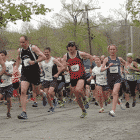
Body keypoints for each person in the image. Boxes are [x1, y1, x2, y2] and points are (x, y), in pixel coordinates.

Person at [16, 35, 46, 119]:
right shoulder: (20, 50)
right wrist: (16, 69)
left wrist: (35, 61)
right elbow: (18, 59)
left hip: (35, 73)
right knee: (23, 91)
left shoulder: (33, 48)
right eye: (20, 42)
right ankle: (23, 112)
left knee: (36, 91)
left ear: (27, 41)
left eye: (23, 42)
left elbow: (43, 56)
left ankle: (43, 94)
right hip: (25, 73)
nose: (22, 44)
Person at [62, 41, 94, 118]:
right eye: (69, 46)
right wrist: (65, 66)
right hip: (72, 78)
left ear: (75, 47)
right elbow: (64, 68)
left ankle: (84, 98)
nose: (70, 48)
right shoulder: (65, 56)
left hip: (81, 76)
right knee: (77, 96)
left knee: (78, 90)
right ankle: (83, 110)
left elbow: (91, 57)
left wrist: (90, 67)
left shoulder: (80, 54)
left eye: (72, 46)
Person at [101, 44, 126, 117]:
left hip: (117, 78)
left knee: (115, 92)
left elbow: (126, 64)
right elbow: (102, 69)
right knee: (113, 93)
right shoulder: (106, 59)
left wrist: (123, 68)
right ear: (108, 51)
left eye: (114, 49)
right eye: (111, 49)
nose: (112, 51)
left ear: (116, 50)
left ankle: (113, 110)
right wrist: (108, 66)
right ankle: (119, 102)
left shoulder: (119, 59)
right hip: (109, 79)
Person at [41, 47, 64, 112]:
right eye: (45, 52)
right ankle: (51, 106)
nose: (46, 54)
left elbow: (62, 66)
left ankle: (54, 99)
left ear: (50, 52)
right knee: (46, 94)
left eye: (47, 52)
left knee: (50, 92)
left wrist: (57, 73)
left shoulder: (53, 60)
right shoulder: (42, 60)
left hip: (53, 78)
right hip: (46, 79)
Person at [0, 50, 13, 118]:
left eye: (2, 55)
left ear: (5, 56)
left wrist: (5, 72)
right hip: (1, 84)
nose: (1, 57)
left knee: (8, 99)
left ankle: (8, 112)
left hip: (8, 84)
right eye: (0, 55)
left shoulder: (9, 64)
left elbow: (11, 74)